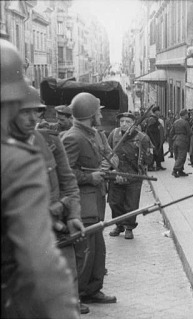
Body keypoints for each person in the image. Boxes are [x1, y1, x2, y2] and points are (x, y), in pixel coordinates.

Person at [1, 38, 79, 319]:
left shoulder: (42, 142)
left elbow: (67, 178)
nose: (32, 117)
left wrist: (70, 211)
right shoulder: (15, 160)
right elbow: (38, 265)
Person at [62, 92, 117, 305]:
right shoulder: (73, 137)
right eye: (98, 113)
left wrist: (104, 167)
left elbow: (100, 159)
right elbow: (65, 174)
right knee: (83, 251)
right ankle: (75, 296)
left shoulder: (91, 134)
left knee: (97, 250)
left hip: (95, 202)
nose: (100, 117)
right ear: (89, 114)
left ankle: (92, 290)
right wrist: (89, 177)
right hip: (82, 205)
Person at [107, 112, 154, 239]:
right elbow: (107, 152)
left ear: (133, 123)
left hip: (133, 176)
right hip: (116, 175)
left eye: (127, 121)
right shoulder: (114, 134)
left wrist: (143, 153)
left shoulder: (142, 137)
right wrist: (112, 168)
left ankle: (129, 227)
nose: (124, 124)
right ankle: (119, 225)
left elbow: (149, 159)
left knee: (131, 204)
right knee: (114, 202)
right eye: (122, 121)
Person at [171, 109, 192, 177]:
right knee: (182, 156)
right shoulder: (185, 122)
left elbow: (171, 132)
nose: (188, 115)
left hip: (175, 139)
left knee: (177, 156)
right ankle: (175, 170)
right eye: (187, 114)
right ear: (184, 115)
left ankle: (180, 170)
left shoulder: (175, 122)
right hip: (182, 140)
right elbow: (189, 132)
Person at [145, 106, 166, 170]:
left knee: (158, 152)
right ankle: (150, 166)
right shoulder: (152, 119)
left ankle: (158, 165)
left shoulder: (155, 118)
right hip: (154, 138)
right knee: (154, 152)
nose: (159, 112)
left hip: (157, 138)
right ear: (155, 111)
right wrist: (157, 128)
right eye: (158, 111)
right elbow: (149, 129)